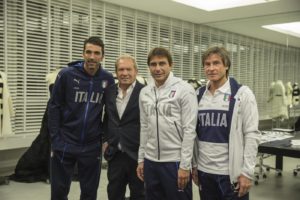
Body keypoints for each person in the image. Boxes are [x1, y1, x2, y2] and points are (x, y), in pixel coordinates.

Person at [48, 36, 114, 200]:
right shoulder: (66, 75)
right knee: (59, 192)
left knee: (90, 193)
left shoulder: (107, 79)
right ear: (83, 54)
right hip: (65, 142)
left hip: (91, 146)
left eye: (96, 53)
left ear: (102, 56)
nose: (92, 57)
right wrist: (55, 138)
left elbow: (109, 112)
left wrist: (104, 138)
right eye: (89, 52)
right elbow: (54, 106)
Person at [192, 46, 261, 200]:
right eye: (207, 64)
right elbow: (194, 134)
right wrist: (194, 165)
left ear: (226, 65)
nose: (211, 68)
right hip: (205, 172)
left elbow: (252, 135)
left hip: (231, 175)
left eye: (216, 63)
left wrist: (247, 172)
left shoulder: (242, 94)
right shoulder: (198, 95)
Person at [136, 47, 198, 200]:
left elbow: (190, 130)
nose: (157, 68)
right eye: (153, 64)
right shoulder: (145, 92)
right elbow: (144, 127)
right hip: (150, 161)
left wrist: (184, 165)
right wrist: (141, 159)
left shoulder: (185, 90)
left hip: (174, 162)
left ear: (171, 65)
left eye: (162, 63)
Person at [103, 54, 145, 200]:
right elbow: (107, 118)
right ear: (116, 72)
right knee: (114, 193)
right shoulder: (109, 91)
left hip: (137, 155)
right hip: (115, 154)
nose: (125, 73)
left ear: (136, 72)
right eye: (121, 69)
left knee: (139, 194)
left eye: (129, 69)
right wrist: (105, 140)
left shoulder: (145, 92)